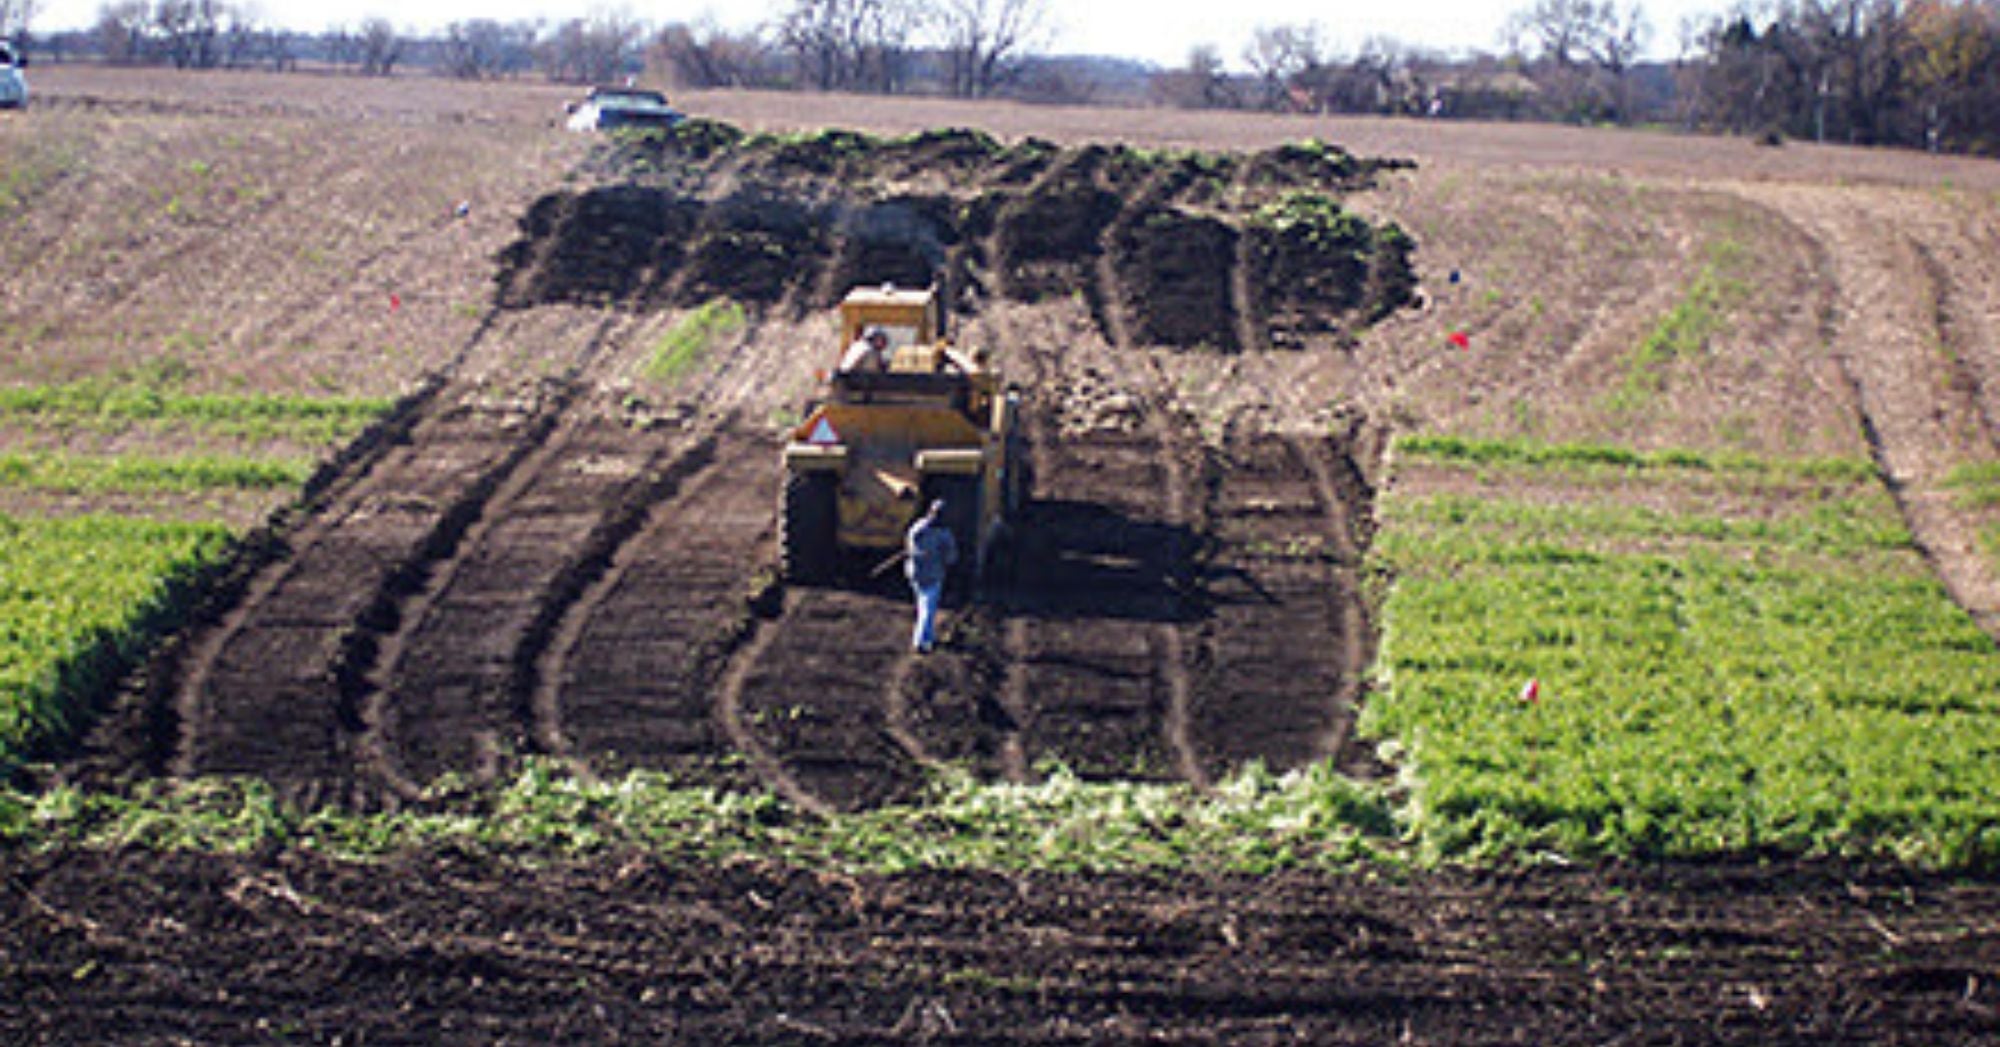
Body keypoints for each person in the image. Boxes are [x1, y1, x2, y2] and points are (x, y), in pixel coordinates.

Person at [905, 499, 958, 653]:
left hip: (915, 573)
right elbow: (951, 557)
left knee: (923, 605)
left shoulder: (917, 528)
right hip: (933, 575)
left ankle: (930, 636)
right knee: (928, 608)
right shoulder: (944, 534)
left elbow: (909, 545)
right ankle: (920, 642)